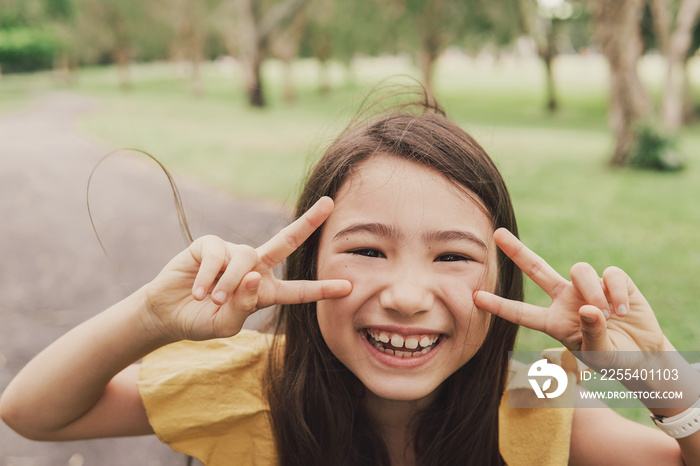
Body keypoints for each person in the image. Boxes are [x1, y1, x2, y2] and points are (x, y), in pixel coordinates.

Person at [1, 90, 699, 466]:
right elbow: (31, 413)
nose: (403, 295)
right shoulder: (245, 380)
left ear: (500, 287)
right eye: (367, 250)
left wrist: (656, 376)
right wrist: (150, 319)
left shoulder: (536, 393)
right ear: (305, 266)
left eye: (453, 256)